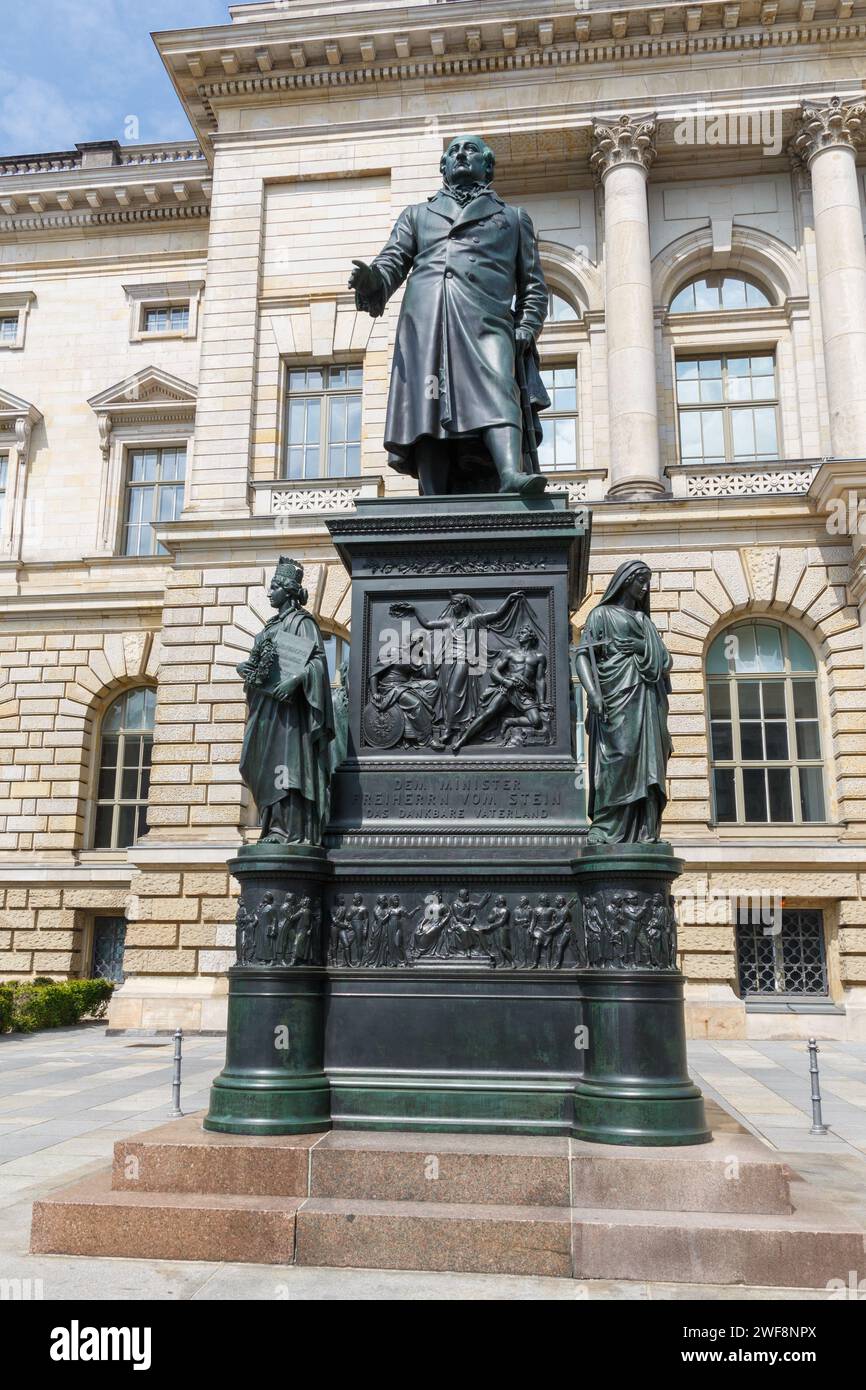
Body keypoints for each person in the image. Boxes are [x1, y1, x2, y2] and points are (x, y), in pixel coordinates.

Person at [349, 133, 550, 496]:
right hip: (426, 318)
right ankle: (434, 492)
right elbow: (392, 262)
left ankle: (510, 474)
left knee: (498, 386)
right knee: (428, 401)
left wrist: (527, 327)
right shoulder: (417, 215)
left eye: (470, 150)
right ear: (443, 167)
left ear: (487, 165)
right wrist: (371, 280)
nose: (460, 155)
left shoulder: (514, 218)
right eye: (453, 151)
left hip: (486, 319)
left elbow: (534, 285)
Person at [237, 558, 334, 846]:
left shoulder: (303, 623)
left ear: (288, 591)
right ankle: (271, 828)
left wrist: (295, 681)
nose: (270, 593)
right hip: (267, 710)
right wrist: (248, 672)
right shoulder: (269, 627)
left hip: (291, 715)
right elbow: (260, 665)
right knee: (258, 764)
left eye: (275, 587)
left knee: (288, 766)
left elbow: (317, 662)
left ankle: (290, 831)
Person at [575, 561, 672, 844]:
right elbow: (582, 655)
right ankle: (605, 827)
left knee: (647, 762)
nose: (644, 587)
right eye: (640, 580)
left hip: (645, 698)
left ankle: (645, 829)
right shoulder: (601, 615)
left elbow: (665, 660)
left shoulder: (644, 622)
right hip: (613, 697)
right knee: (618, 758)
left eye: (647, 582)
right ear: (625, 580)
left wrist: (643, 647)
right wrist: (592, 693)